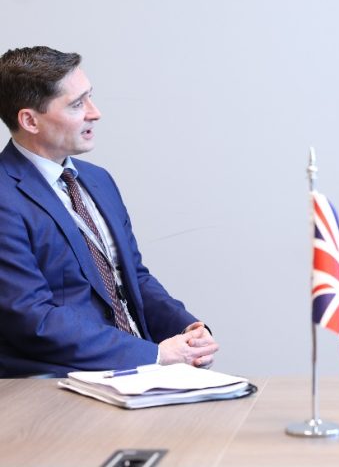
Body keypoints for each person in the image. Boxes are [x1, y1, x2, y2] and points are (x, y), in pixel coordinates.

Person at [0, 46, 219, 377]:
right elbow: (32, 317)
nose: (95, 113)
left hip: (135, 372)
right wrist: (156, 354)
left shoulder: (97, 180)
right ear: (30, 120)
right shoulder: (5, 195)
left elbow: (132, 277)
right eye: (77, 104)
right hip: (58, 381)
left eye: (90, 97)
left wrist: (187, 329)